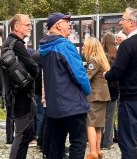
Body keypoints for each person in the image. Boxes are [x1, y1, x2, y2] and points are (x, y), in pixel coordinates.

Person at [39, 12, 91, 159]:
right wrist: (87, 90)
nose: (69, 25)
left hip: (54, 105)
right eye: (66, 22)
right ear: (58, 25)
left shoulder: (44, 47)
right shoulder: (65, 45)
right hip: (72, 104)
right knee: (78, 142)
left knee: (56, 143)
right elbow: (79, 73)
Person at [104, 7, 137, 159]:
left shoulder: (127, 45)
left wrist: (106, 74)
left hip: (131, 100)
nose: (120, 22)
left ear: (132, 23)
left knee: (128, 142)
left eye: (123, 19)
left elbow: (117, 72)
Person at [1, 14, 39, 159]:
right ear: (17, 26)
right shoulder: (16, 44)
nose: (30, 27)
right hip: (22, 95)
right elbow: (32, 66)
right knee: (22, 134)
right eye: (27, 24)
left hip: (15, 93)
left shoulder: (8, 43)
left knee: (25, 133)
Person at [83, 37, 111, 159]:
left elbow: (87, 77)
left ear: (90, 47)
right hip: (103, 95)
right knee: (98, 126)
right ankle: (98, 151)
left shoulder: (93, 60)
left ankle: (93, 152)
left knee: (90, 124)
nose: (84, 48)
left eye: (85, 46)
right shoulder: (103, 59)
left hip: (94, 96)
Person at [100, 33, 119, 150]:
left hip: (102, 89)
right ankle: (107, 142)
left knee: (101, 117)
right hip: (113, 89)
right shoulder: (116, 56)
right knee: (110, 117)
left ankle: (100, 140)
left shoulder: (101, 56)